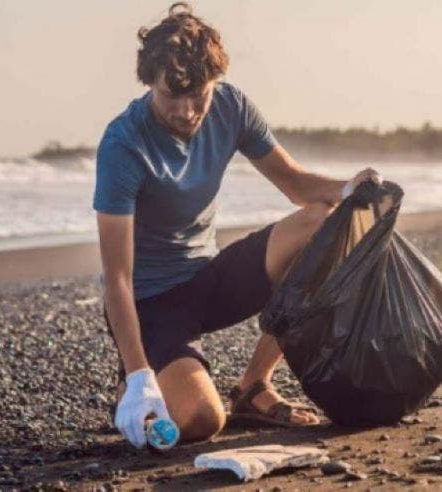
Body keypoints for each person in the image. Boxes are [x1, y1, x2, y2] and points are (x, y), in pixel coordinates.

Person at [93, 2, 380, 449]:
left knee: (323, 222)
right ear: (149, 83)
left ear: (216, 82)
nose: (188, 112)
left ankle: (254, 386)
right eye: (172, 96)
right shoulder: (123, 145)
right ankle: (136, 388)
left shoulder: (231, 107)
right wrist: (137, 376)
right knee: (202, 422)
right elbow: (118, 278)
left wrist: (352, 188)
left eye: (199, 96)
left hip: (208, 279)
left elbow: (297, 185)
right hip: (152, 304)